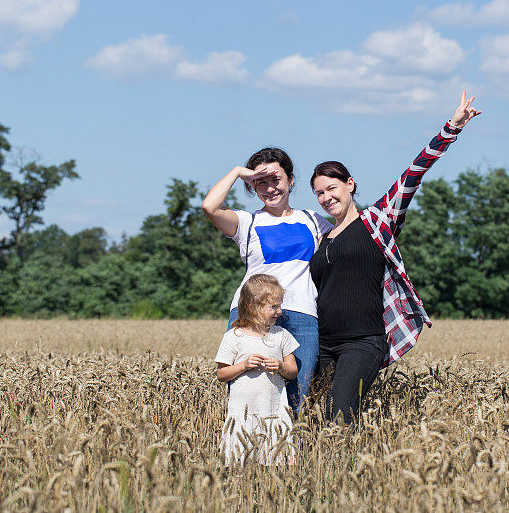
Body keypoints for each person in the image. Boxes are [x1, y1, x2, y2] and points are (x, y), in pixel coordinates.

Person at [309, 91, 481, 424]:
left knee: (338, 417)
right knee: (313, 421)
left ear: (350, 184)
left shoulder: (377, 219)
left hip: (362, 341)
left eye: (333, 188)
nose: (327, 197)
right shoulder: (320, 237)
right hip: (323, 344)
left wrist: (451, 128)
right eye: (319, 192)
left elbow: (414, 173)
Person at [202, 148, 332, 412]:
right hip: (251, 312)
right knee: (247, 394)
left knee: (297, 399)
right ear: (252, 185)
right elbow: (209, 206)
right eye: (261, 181)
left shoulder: (312, 220)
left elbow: (347, 242)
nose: (270, 188)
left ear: (291, 180)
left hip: (302, 313)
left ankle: (287, 453)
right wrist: (238, 172)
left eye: (276, 179)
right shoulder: (246, 222)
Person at [215, 274, 299, 465]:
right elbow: (221, 374)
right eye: (273, 307)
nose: (279, 311)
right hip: (243, 409)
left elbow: (292, 371)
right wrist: (243, 365)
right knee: (241, 459)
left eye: (280, 305)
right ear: (253, 307)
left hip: (274, 408)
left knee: (276, 457)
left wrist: (280, 366)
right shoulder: (234, 336)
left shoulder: (281, 335)